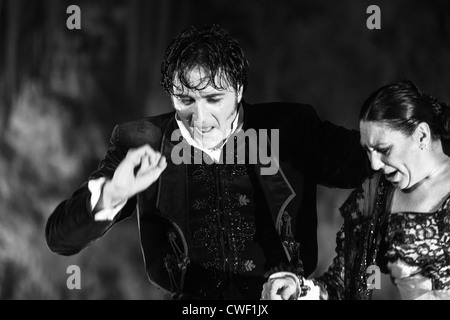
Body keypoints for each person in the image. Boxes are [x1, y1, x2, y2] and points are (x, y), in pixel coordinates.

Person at [45, 24, 369, 300]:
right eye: (185, 100)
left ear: (239, 90)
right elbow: (60, 237)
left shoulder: (293, 128)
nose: (200, 118)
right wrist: (113, 193)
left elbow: (370, 160)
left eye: (214, 99)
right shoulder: (141, 142)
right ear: (171, 93)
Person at [261, 79, 450, 300]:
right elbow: (350, 282)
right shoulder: (377, 195)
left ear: (421, 136)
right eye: (368, 151)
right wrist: (299, 290)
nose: (374, 164)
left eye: (384, 150)